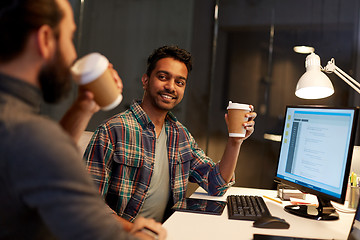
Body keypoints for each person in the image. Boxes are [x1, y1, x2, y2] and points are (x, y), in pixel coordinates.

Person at [0, 0, 166, 239]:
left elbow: (41, 164)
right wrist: (148, 234)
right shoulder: (30, 137)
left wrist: (84, 106)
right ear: (46, 39)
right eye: (69, 37)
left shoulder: (24, 135)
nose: (72, 54)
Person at [84, 45, 257, 223]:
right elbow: (87, 205)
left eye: (179, 82)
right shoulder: (112, 131)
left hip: (167, 231)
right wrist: (135, 232)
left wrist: (235, 141)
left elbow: (216, 184)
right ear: (145, 80)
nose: (171, 87)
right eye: (163, 77)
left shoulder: (180, 135)